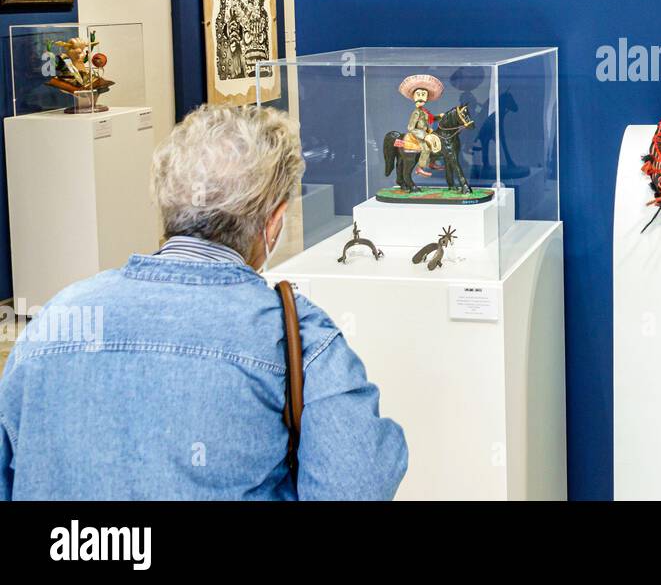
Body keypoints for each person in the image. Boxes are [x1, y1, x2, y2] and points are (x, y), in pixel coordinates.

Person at [0, 104, 407, 500]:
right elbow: (355, 484)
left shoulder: (60, 316)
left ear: (166, 201)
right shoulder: (297, 337)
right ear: (275, 221)